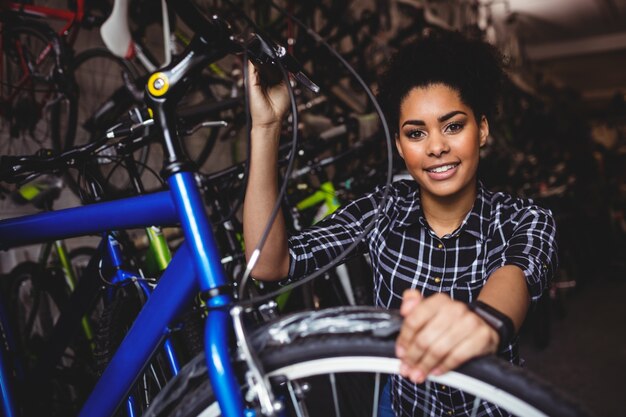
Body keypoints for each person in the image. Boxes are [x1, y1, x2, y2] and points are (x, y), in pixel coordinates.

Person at [243, 29, 558, 416]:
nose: (436, 146)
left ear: (483, 130)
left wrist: (482, 322)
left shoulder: (524, 219)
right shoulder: (384, 210)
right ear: (399, 145)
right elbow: (268, 264)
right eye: (416, 133)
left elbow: (515, 276)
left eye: (453, 126)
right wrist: (266, 128)